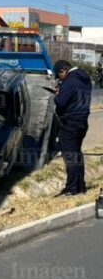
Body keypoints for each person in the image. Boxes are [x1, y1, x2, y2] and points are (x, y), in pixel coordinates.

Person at [53, 60, 92, 196]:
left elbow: (61, 102)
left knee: (70, 156)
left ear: (63, 71)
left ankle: (71, 188)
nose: (59, 79)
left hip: (70, 123)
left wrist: (57, 94)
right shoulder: (85, 79)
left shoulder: (69, 81)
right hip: (82, 121)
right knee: (77, 154)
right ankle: (80, 187)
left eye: (59, 76)